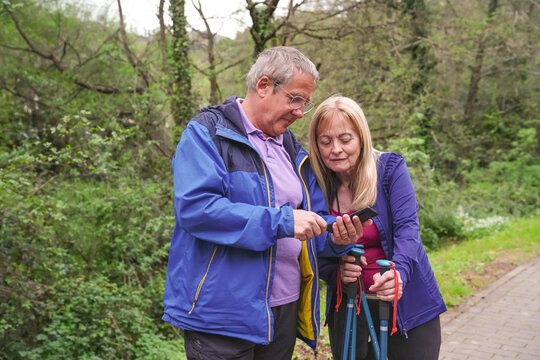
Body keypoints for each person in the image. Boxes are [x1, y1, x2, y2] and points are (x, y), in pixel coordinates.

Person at [162, 47, 370, 360]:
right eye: (296, 99)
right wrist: (282, 221)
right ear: (263, 86)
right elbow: (197, 209)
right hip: (223, 316)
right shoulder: (206, 134)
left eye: (305, 102)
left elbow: (311, 219)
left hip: (282, 311)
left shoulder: (291, 148)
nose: (301, 112)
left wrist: (336, 237)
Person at [310, 95, 447, 359]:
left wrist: (398, 274)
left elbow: (408, 230)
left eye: (345, 139)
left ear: (362, 138)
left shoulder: (389, 169)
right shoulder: (315, 183)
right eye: (325, 141)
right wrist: (334, 270)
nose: (335, 149)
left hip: (406, 305)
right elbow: (312, 243)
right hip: (350, 308)